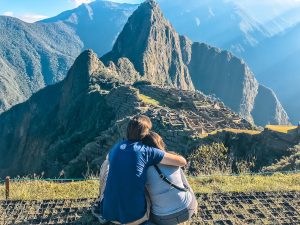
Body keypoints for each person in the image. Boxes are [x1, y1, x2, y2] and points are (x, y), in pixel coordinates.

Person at [100, 115, 187, 225]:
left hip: (108, 213)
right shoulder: (147, 151)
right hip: (134, 217)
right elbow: (182, 162)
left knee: (107, 165)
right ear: (145, 132)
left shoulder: (116, 147)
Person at [143, 132, 198, 225]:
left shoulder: (143, 168)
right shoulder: (172, 158)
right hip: (188, 209)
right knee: (180, 176)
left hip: (162, 219)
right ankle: (195, 206)